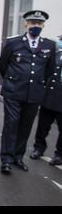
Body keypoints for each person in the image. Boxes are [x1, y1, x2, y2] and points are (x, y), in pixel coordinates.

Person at [0, 10, 56, 174]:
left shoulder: (49, 45)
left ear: (43, 25)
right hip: (13, 92)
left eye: (39, 23)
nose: (35, 26)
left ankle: (18, 157)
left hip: (34, 93)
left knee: (26, 126)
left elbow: (49, 70)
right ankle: (7, 159)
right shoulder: (13, 43)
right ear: (26, 24)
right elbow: (2, 65)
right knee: (11, 124)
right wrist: (11, 80)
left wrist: (38, 84)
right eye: (32, 23)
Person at [30, 35, 62, 166]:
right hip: (49, 96)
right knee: (43, 126)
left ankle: (59, 154)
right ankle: (39, 148)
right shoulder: (56, 54)